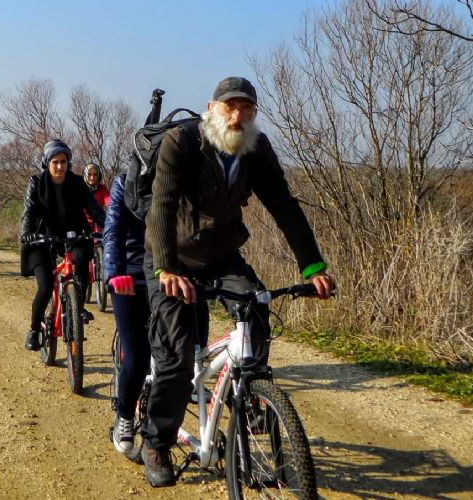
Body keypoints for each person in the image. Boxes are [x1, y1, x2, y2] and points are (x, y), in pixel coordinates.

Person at [140, 77, 336, 487]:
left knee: (258, 308)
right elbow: (161, 206)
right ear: (212, 108)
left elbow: (284, 206)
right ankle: (156, 441)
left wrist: (312, 266)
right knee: (177, 359)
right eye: (230, 106)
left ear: (254, 114)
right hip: (171, 258)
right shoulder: (183, 142)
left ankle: (250, 395)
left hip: (222, 256)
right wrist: (166, 269)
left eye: (246, 108)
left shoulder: (256, 148)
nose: (237, 115)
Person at [19, 139, 106, 351]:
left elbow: (94, 209)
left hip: (73, 233)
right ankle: (34, 330)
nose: (60, 166)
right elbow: (29, 213)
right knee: (46, 285)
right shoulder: (36, 183)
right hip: (42, 238)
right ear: (47, 163)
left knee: (81, 258)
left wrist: (108, 227)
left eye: (64, 161)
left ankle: (78, 307)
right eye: (55, 161)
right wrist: (27, 233)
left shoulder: (77, 183)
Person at [103, 172, 150, 455]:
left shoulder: (182, 176)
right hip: (130, 277)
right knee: (136, 356)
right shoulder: (125, 182)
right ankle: (125, 416)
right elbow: (113, 231)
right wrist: (114, 273)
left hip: (168, 276)